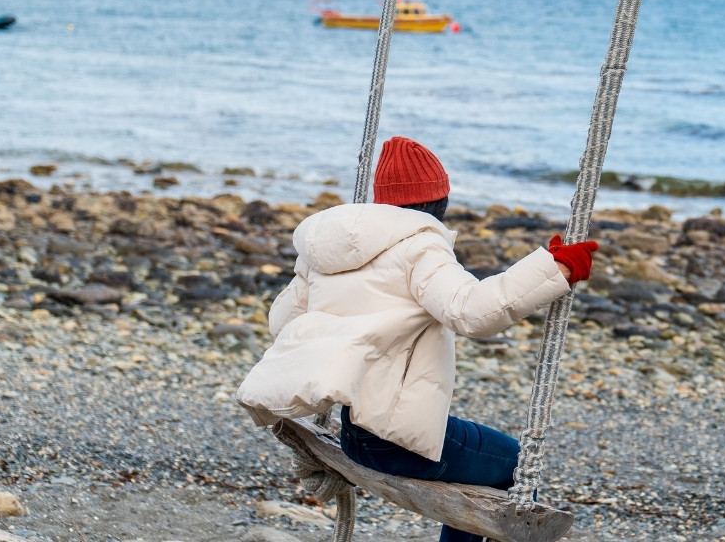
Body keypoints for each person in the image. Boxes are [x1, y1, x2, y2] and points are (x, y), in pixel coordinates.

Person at [235, 136, 599, 542]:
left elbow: (279, 320)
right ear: (438, 201)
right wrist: (555, 269)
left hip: (358, 433)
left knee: (490, 459)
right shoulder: (420, 246)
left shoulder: (323, 252)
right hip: (397, 440)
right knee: (518, 464)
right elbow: (471, 311)